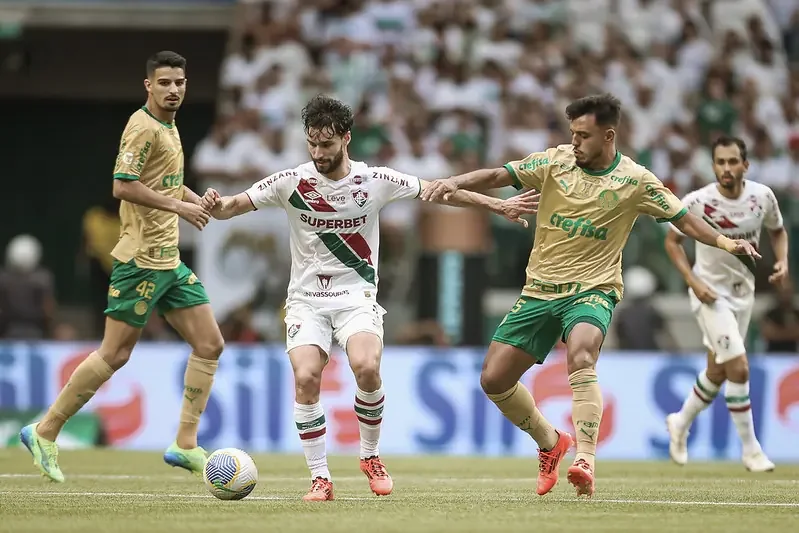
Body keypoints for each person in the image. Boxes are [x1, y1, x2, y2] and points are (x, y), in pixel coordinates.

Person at [200, 94, 539, 501]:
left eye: (326, 144)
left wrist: (497, 206)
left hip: (356, 297)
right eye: (312, 143)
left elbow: (439, 192)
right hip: (306, 301)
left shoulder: (374, 180)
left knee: (366, 368)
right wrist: (215, 205)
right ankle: (320, 478)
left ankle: (370, 455)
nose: (318, 152)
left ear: (346, 138)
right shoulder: (291, 181)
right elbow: (234, 206)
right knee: (307, 378)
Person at [421, 94, 760, 497]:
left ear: (608, 135)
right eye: (573, 134)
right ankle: (551, 443)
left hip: (593, 290)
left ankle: (585, 459)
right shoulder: (555, 162)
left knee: (581, 353)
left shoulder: (636, 181)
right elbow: (499, 175)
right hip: (539, 290)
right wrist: (454, 182)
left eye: (583, 135)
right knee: (494, 380)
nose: (575, 142)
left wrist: (725, 241)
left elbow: (684, 219)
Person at [19, 51, 224, 483]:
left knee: (209, 343)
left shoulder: (168, 125)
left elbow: (163, 179)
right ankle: (44, 430)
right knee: (115, 354)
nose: (174, 90)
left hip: (169, 261)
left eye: (180, 82)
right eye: (165, 83)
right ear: (148, 85)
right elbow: (122, 185)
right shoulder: (142, 126)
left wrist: (193, 199)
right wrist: (177, 207)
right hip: (141, 263)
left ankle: (184, 444)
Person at [664, 136, 786, 472]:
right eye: (720, 162)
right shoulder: (698, 201)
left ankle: (680, 421)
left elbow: (778, 230)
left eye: (733, 162)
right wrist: (694, 282)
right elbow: (672, 242)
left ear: (745, 165)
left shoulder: (762, 197)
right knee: (740, 367)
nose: (726, 168)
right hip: (710, 294)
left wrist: (783, 261)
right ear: (713, 165)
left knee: (717, 371)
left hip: (743, 295)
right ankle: (751, 450)